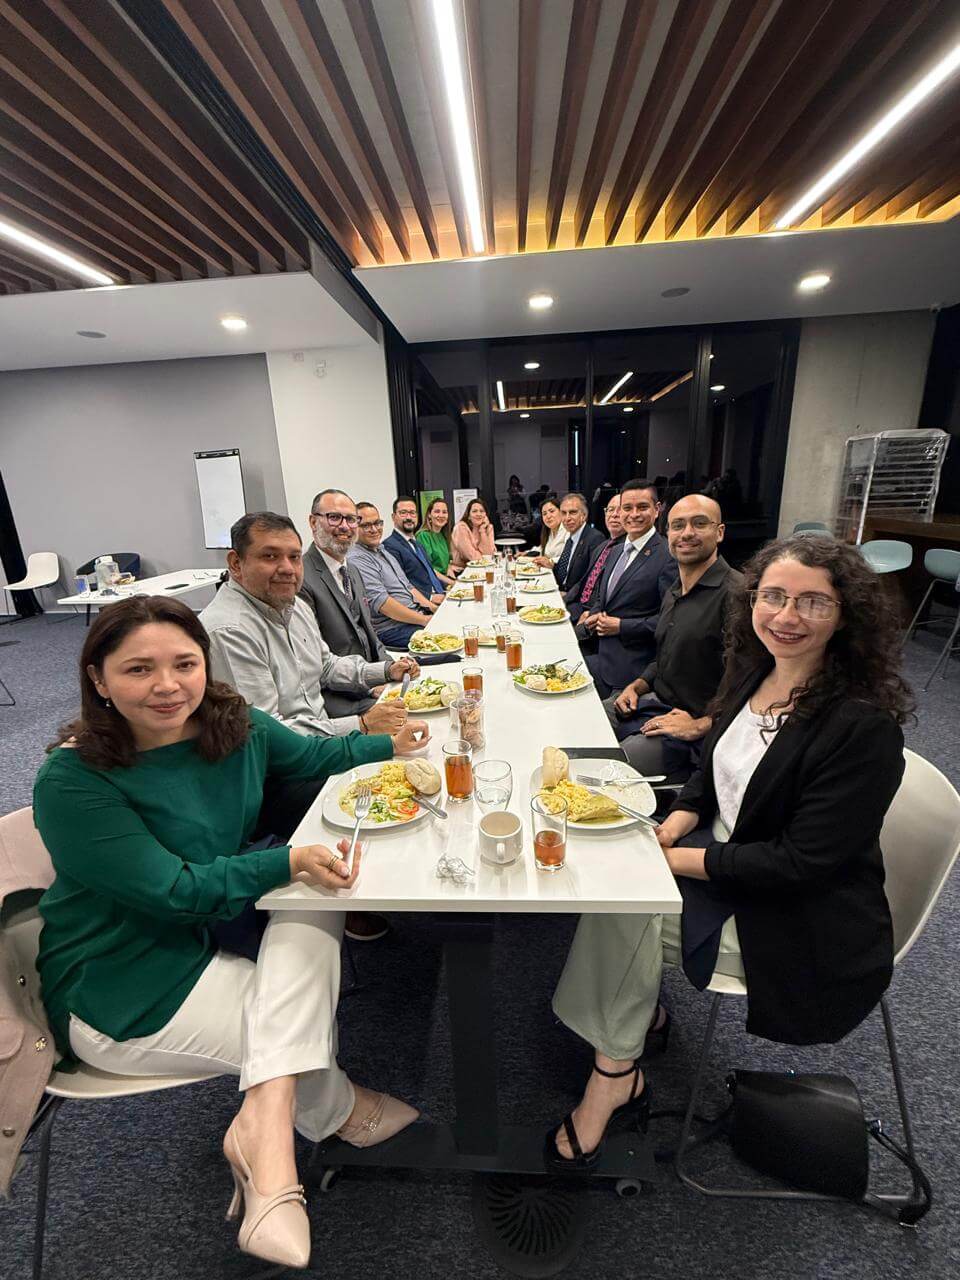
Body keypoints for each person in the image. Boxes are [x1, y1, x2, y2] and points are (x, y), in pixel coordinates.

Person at [34, 597, 427, 1267]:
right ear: (98, 679)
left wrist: (396, 745)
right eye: (138, 669)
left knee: (313, 905)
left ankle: (264, 1121)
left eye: (184, 663)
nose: (167, 686)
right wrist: (286, 859)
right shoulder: (73, 780)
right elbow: (176, 892)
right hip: (123, 980)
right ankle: (321, 1120)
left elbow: (311, 757)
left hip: (207, 934)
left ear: (203, 664)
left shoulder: (231, 723)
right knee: (295, 1021)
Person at [546, 535, 911, 1170]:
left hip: (799, 917)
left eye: (812, 603)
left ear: (846, 613)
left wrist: (674, 860)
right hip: (733, 861)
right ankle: (635, 1021)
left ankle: (615, 1074)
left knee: (622, 905)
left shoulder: (860, 726)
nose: (787, 617)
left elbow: (800, 864)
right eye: (773, 596)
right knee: (614, 876)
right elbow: (715, 766)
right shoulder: (758, 673)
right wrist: (682, 815)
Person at [606, 495, 742, 782]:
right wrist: (636, 686)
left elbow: (755, 685)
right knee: (584, 718)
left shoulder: (737, 596)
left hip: (693, 730)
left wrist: (701, 725)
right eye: (678, 525)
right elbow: (664, 656)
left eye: (700, 523)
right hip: (655, 703)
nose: (687, 533)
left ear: (720, 532)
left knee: (608, 769)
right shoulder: (675, 590)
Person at [300, 489, 420, 719]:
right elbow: (316, 665)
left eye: (352, 519)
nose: (345, 526)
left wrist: (392, 666)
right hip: (344, 700)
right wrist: (371, 684)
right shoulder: (303, 579)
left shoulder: (351, 571)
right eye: (334, 518)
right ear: (313, 522)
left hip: (374, 680)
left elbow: (370, 636)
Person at [576, 479, 676, 698]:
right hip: (600, 653)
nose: (633, 515)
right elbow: (603, 600)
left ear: (657, 510)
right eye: (627, 508)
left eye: (642, 507)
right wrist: (594, 617)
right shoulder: (616, 551)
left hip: (631, 670)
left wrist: (622, 626)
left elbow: (670, 621)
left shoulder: (668, 556)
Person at [348, 502, 436, 648]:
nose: (374, 529)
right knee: (451, 638)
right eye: (366, 525)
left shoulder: (382, 550)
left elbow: (409, 587)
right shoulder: (357, 559)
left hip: (414, 618)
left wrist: (434, 608)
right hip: (393, 629)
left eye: (377, 523)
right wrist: (424, 620)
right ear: (353, 527)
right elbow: (383, 603)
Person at [566, 493, 624, 625]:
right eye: (610, 509)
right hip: (579, 605)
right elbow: (584, 581)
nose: (614, 515)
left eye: (620, 510)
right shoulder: (604, 545)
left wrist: (592, 612)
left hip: (594, 614)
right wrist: (562, 600)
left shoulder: (625, 551)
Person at [383, 496, 447, 602]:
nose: (409, 517)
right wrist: (430, 598)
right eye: (403, 513)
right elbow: (399, 585)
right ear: (393, 517)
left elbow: (429, 574)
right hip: (424, 604)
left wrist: (449, 588)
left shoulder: (417, 544)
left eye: (412, 513)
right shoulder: (389, 546)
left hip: (440, 595)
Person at [552, 492, 605, 592]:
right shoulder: (571, 538)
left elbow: (592, 581)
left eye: (572, 512)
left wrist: (566, 596)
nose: (567, 518)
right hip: (560, 590)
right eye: (563, 513)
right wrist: (551, 565)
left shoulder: (595, 538)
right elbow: (565, 570)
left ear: (584, 516)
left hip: (575, 600)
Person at [416, 497, 457, 585]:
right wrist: (452, 583)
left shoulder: (443, 535)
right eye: (437, 511)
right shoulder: (423, 536)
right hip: (433, 584)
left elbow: (447, 564)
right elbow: (428, 569)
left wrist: (454, 579)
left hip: (444, 580)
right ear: (429, 515)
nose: (441, 515)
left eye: (444, 512)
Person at [450, 497, 496, 567]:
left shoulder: (488, 527)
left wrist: (482, 531)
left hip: (484, 567)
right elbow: (471, 556)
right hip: (462, 570)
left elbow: (489, 554)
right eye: (474, 511)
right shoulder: (461, 528)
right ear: (468, 516)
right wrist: (487, 559)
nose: (478, 514)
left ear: (485, 515)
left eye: (482, 511)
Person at [531, 495, 566, 568]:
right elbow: (542, 548)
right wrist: (526, 553)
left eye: (552, 511)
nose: (548, 516)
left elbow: (570, 557)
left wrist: (550, 561)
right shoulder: (549, 531)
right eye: (544, 514)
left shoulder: (568, 531)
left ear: (561, 511)